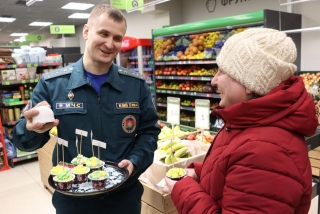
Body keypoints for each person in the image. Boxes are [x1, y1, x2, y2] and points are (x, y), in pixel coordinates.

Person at [12, 4, 160, 214]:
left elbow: (149, 132)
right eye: (104, 33)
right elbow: (21, 140)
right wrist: (30, 130)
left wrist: (135, 162)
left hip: (123, 198)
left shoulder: (134, 85)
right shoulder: (52, 84)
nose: (110, 44)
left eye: (117, 38)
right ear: (86, 31)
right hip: (73, 200)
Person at [163, 28, 318, 213]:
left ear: (250, 84)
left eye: (222, 72)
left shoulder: (266, 152)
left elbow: (252, 168)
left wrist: (183, 189)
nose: (214, 81)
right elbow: (237, 170)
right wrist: (200, 171)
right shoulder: (247, 123)